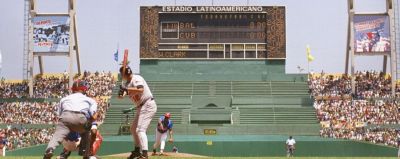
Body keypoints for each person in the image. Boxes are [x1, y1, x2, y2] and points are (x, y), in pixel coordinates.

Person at [43, 80, 98, 159]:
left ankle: (50, 149)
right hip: (81, 117)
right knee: (86, 132)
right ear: (84, 89)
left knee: (57, 136)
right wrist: (89, 122)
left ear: (73, 89)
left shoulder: (64, 99)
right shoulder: (90, 100)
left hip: (66, 117)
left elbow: (59, 115)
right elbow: (94, 115)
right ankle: (85, 152)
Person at [119, 66, 157, 159]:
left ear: (124, 74)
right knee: (133, 128)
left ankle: (144, 154)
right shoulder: (127, 83)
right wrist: (121, 92)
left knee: (140, 130)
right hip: (141, 107)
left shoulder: (137, 78)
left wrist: (127, 90)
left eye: (122, 74)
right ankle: (137, 151)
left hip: (147, 104)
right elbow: (122, 96)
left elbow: (140, 89)